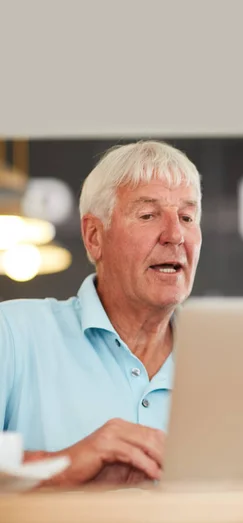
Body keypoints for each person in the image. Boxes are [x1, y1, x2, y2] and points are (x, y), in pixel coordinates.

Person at [0, 140, 202, 485]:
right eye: (148, 215)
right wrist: (68, 464)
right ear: (94, 236)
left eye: (187, 216)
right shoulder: (13, 332)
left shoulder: (224, 361)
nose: (175, 235)